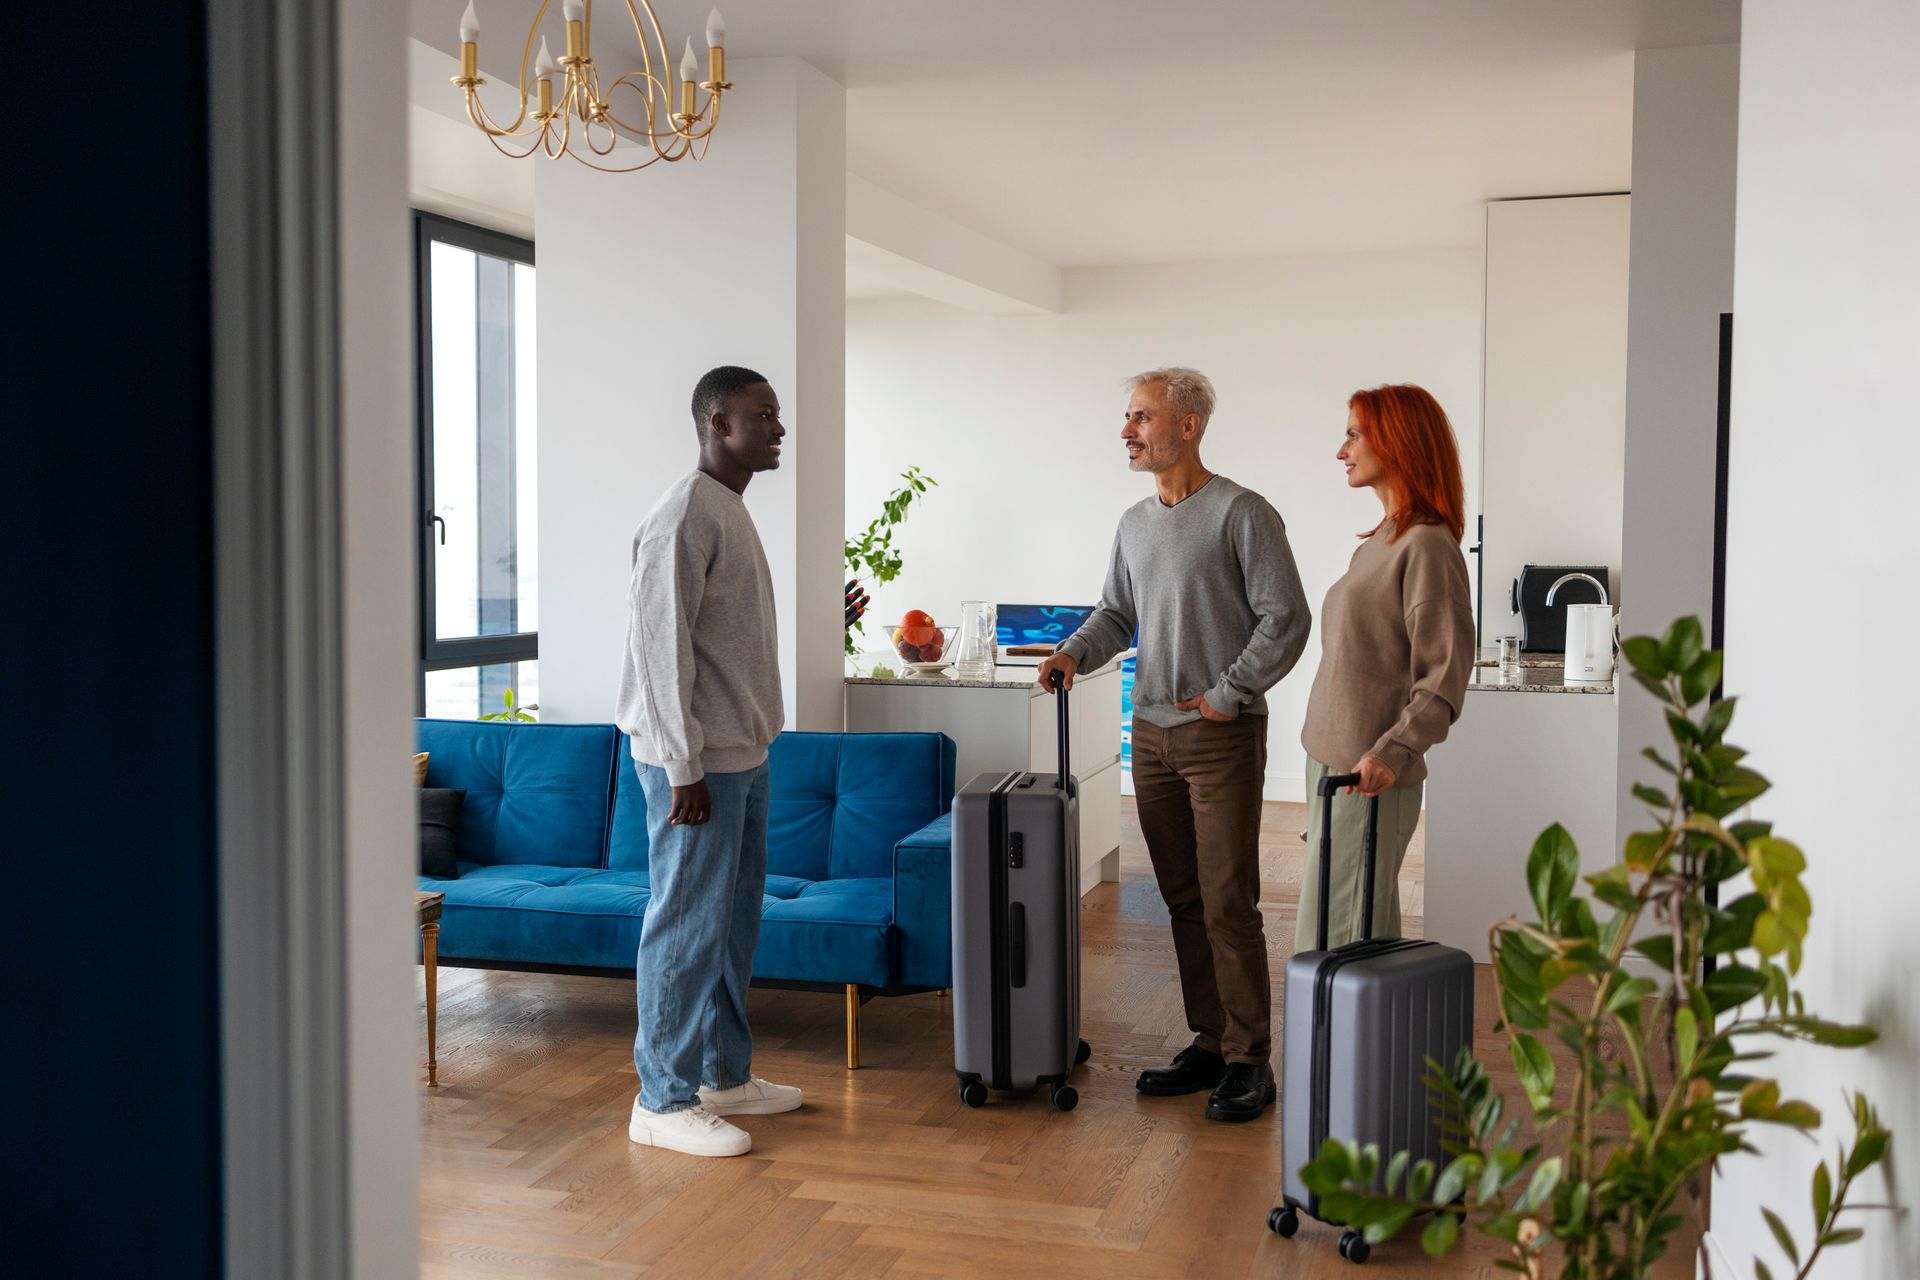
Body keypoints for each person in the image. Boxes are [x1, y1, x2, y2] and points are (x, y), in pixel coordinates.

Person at [1038, 367, 1310, 1124]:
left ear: (1188, 426)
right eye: (1126, 417)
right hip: (1151, 735)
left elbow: (1285, 617)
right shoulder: (1133, 523)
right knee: (1183, 898)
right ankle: (1213, 1041)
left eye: (1142, 417)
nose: (1128, 430)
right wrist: (1071, 653)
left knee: (1229, 900)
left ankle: (1253, 1062)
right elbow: (1116, 615)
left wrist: (1227, 696)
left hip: (1218, 736)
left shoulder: (1243, 514)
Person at [616, 365, 801, 1158]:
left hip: (743, 755)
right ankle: (660, 1100)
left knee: (730, 923)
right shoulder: (683, 514)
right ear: (718, 422)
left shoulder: (728, 510)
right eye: (764, 416)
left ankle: (723, 1075)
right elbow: (660, 657)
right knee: (686, 925)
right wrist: (683, 767)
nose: (778, 429)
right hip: (695, 766)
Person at [1298, 384, 1474, 951]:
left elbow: (1444, 678)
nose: (1340, 449)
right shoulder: (1384, 539)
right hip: (1334, 765)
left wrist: (1391, 753)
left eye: (1353, 434)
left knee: (1335, 941)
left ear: (1395, 443)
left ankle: (1331, 1043)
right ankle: (1360, 1042)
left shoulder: (1426, 546)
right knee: (1354, 930)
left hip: (1367, 775)